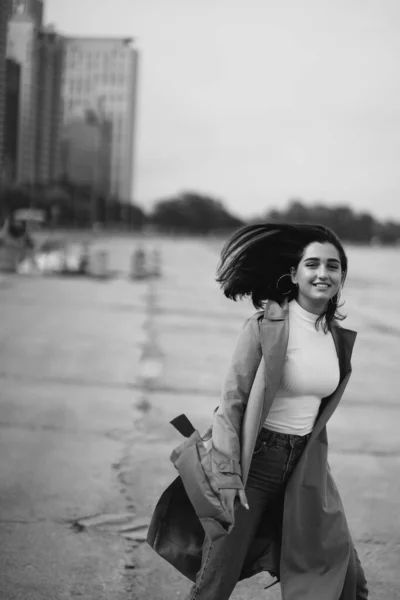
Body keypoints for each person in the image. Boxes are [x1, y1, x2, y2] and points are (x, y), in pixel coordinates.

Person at [186, 222, 368, 600]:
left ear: (342, 276)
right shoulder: (265, 326)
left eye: (333, 266)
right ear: (295, 274)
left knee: (349, 580)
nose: (323, 273)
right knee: (214, 584)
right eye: (313, 264)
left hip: (307, 468)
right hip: (256, 466)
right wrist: (228, 475)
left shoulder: (334, 336)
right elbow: (231, 404)